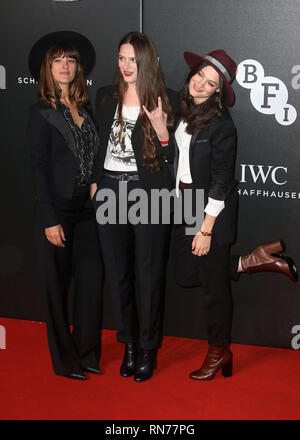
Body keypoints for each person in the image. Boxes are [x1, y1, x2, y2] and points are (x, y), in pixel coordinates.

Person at [145, 49, 297, 381]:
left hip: (210, 212)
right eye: (199, 75)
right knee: (185, 275)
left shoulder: (221, 125)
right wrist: (161, 130)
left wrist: (206, 229)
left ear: (218, 91)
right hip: (185, 201)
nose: (200, 83)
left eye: (210, 82)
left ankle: (219, 351)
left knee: (215, 290)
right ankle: (252, 261)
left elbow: (221, 181)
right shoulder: (187, 110)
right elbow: (180, 160)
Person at [91, 31, 178, 382]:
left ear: (148, 61)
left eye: (134, 59)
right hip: (110, 191)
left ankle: (147, 347)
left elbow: (176, 163)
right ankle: (128, 342)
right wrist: (97, 180)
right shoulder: (104, 96)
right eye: (122, 58)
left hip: (149, 195)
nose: (127, 66)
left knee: (148, 274)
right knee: (118, 273)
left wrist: (161, 130)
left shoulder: (167, 99)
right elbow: (99, 144)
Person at [27, 31, 104, 380]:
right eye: (57, 60)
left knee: (91, 281)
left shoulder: (85, 111)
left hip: (87, 211)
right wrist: (49, 218)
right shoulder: (40, 112)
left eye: (70, 60)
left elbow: (92, 159)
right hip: (57, 209)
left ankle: (87, 354)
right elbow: (39, 169)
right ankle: (64, 360)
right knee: (56, 287)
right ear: (47, 67)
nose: (64, 66)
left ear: (78, 67)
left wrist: (94, 188)